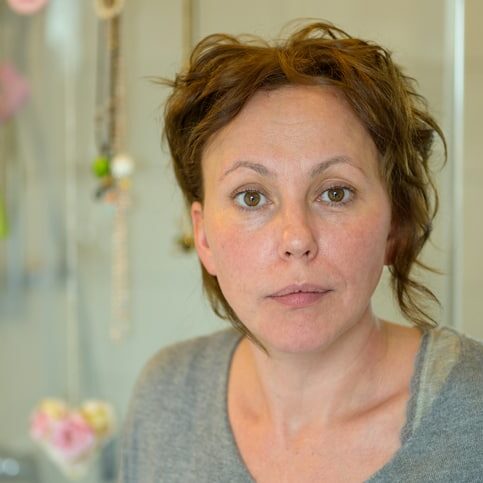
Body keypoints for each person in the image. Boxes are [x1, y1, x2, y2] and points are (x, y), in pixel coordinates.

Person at [118, 21, 483, 482]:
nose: (296, 239)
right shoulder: (165, 399)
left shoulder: (475, 412)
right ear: (204, 237)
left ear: (396, 223)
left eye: (335, 193)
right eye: (251, 196)